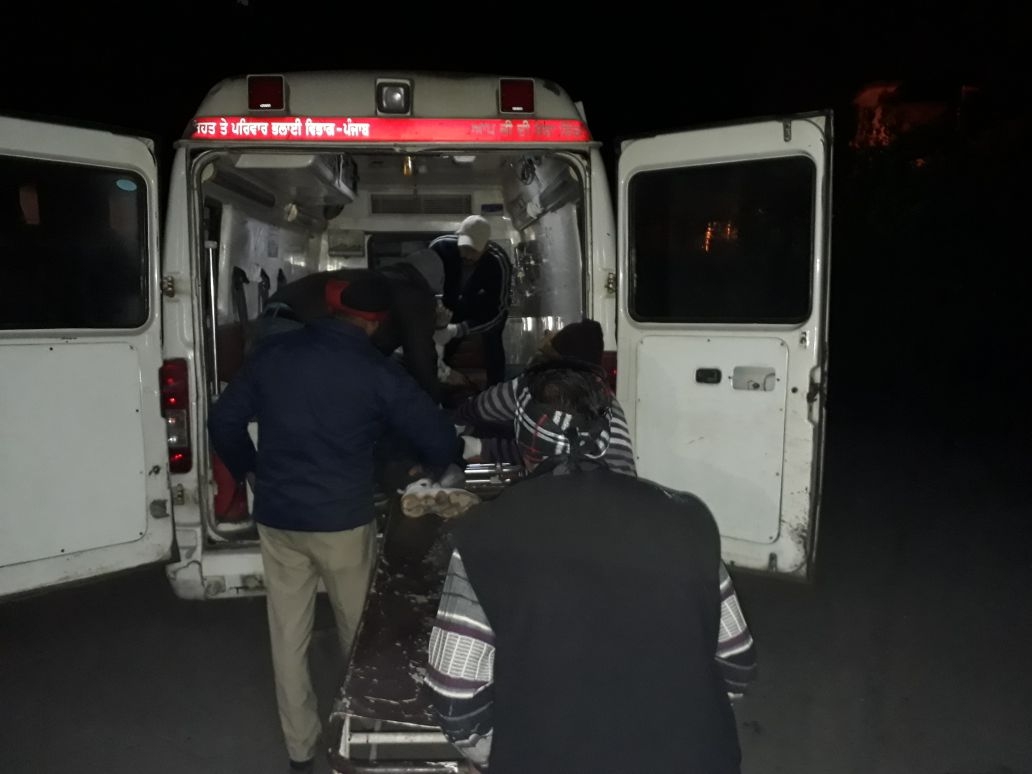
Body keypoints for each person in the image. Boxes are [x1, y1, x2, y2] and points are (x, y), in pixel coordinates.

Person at [425, 360, 757, 773]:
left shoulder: (482, 533)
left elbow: (455, 698)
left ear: (525, 441)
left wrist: (501, 754)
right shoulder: (688, 517)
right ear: (607, 437)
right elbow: (737, 661)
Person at [207, 273, 460, 773]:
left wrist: (250, 468)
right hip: (342, 521)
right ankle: (360, 737)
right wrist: (435, 465)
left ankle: (300, 750)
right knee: (359, 633)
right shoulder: (377, 371)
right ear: (375, 323)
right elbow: (436, 435)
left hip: (279, 518)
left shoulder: (274, 356)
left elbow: (223, 421)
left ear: (329, 309)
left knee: (287, 634)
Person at [451, 318, 637, 477]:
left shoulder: (536, 386)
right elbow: (547, 448)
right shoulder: (605, 401)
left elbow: (485, 406)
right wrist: (484, 447)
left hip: (585, 489)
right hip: (620, 494)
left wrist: (458, 424)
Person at [255, 262, 446, 404]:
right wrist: (431, 406)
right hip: (296, 323)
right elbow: (421, 355)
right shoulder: (414, 296)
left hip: (274, 316)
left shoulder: (380, 281)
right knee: (307, 404)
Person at [428, 215, 512, 387]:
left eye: (473, 250)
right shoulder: (440, 248)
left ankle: (495, 388)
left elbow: (499, 311)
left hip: (479, 308)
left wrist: (458, 329)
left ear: (486, 246)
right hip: (447, 307)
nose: (467, 255)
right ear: (458, 236)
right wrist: (436, 319)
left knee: (492, 344)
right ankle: (440, 386)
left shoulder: (498, 262)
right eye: (464, 248)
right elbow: (426, 288)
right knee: (441, 351)